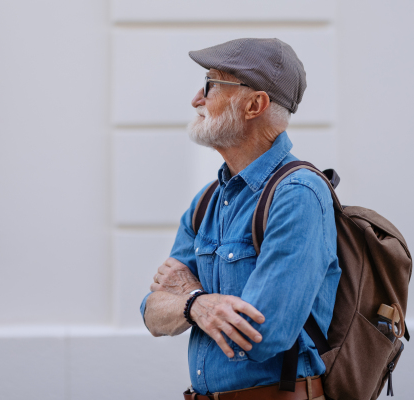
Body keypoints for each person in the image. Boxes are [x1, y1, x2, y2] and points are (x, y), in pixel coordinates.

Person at [139, 38, 341, 400]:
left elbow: (264, 335)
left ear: (254, 104)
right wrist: (197, 304)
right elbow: (152, 313)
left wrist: (188, 295)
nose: (196, 100)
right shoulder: (207, 201)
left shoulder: (298, 195)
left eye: (210, 85)